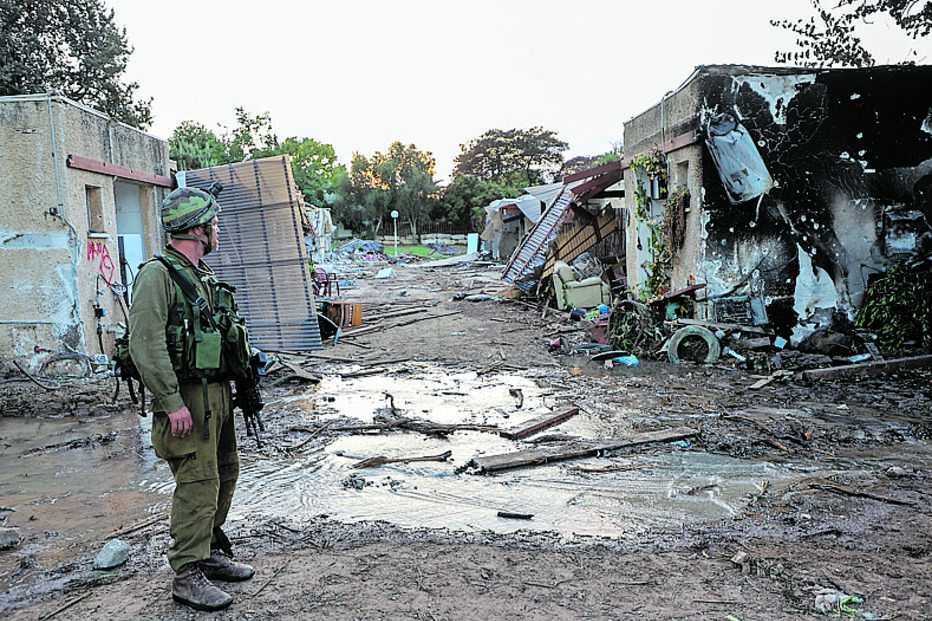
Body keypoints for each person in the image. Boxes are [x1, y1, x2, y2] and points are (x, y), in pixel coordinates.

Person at [129, 186, 255, 612]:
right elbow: (145, 345)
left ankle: (207, 552)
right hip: (185, 400)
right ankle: (186, 575)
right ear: (196, 229)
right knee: (197, 484)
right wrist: (170, 401)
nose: (217, 230)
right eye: (214, 223)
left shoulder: (202, 276)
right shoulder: (157, 276)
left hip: (215, 395)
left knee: (224, 473)